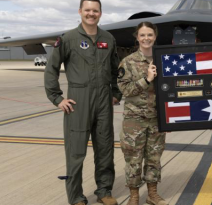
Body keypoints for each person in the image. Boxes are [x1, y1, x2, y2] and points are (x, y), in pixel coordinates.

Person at [44, 0, 122, 205]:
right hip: (78, 100)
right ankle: (76, 195)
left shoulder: (108, 38)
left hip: (104, 100)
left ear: (100, 13)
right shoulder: (68, 38)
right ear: (80, 12)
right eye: (87, 10)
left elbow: (116, 70)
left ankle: (104, 190)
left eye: (95, 10)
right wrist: (57, 98)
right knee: (76, 151)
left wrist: (116, 92)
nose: (91, 13)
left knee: (105, 148)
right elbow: (51, 68)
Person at [117, 22, 168, 205]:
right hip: (134, 120)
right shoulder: (128, 62)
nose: (146, 38)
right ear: (137, 37)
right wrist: (147, 79)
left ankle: (152, 194)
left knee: (154, 157)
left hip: (156, 118)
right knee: (134, 159)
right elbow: (126, 90)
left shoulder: (163, 59)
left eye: (150, 35)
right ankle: (134, 196)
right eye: (142, 35)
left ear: (155, 37)